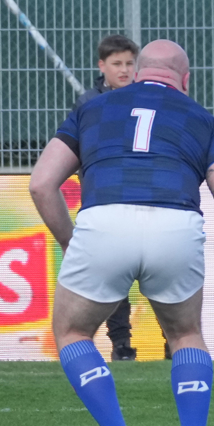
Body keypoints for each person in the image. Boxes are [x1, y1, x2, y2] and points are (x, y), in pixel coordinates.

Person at [30, 40, 214, 426]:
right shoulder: (203, 120)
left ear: (136, 72)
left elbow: (42, 184)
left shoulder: (92, 109)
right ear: (185, 79)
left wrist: (72, 242)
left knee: (73, 332)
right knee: (186, 334)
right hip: (175, 226)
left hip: (105, 221)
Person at [74, 34, 141, 361]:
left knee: (158, 275)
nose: (124, 70)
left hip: (143, 196)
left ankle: (173, 341)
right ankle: (121, 345)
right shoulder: (87, 103)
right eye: (117, 64)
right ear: (102, 66)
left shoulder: (147, 97)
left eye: (129, 63)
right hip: (104, 199)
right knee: (114, 276)